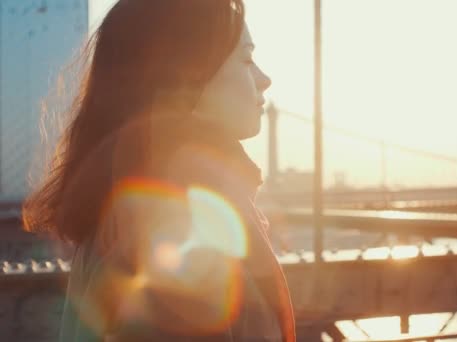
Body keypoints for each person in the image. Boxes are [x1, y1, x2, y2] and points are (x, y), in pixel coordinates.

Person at [22, 0, 295, 340]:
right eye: (246, 58)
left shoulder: (127, 195)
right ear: (186, 76)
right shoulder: (180, 219)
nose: (264, 79)